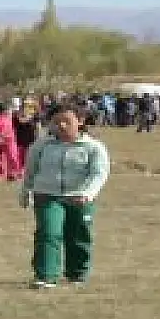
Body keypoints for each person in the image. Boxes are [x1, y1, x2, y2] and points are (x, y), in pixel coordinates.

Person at [19, 103, 110, 289]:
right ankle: (46, 275)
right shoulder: (41, 146)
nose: (61, 126)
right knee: (49, 233)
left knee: (78, 235)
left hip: (79, 197)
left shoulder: (93, 147)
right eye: (56, 122)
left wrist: (88, 193)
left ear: (80, 121)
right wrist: (25, 191)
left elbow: (99, 174)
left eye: (66, 121)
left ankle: (77, 273)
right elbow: (30, 170)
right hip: (47, 195)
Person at [0, 102, 21, 181]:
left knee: (12, 157)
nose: (6, 111)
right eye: (4, 110)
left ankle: (12, 174)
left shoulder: (8, 118)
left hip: (9, 140)